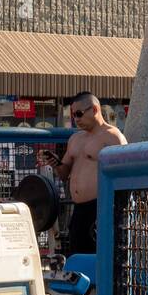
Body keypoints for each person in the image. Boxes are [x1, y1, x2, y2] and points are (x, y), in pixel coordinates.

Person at [38, 92, 125, 254]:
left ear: (94, 109)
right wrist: (56, 163)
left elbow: (124, 174)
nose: (76, 119)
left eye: (79, 114)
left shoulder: (113, 137)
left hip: (101, 208)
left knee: (100, 257)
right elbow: (64, 173)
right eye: (73, 115)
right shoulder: (75, 139)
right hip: (79, 209)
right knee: (77, 256)